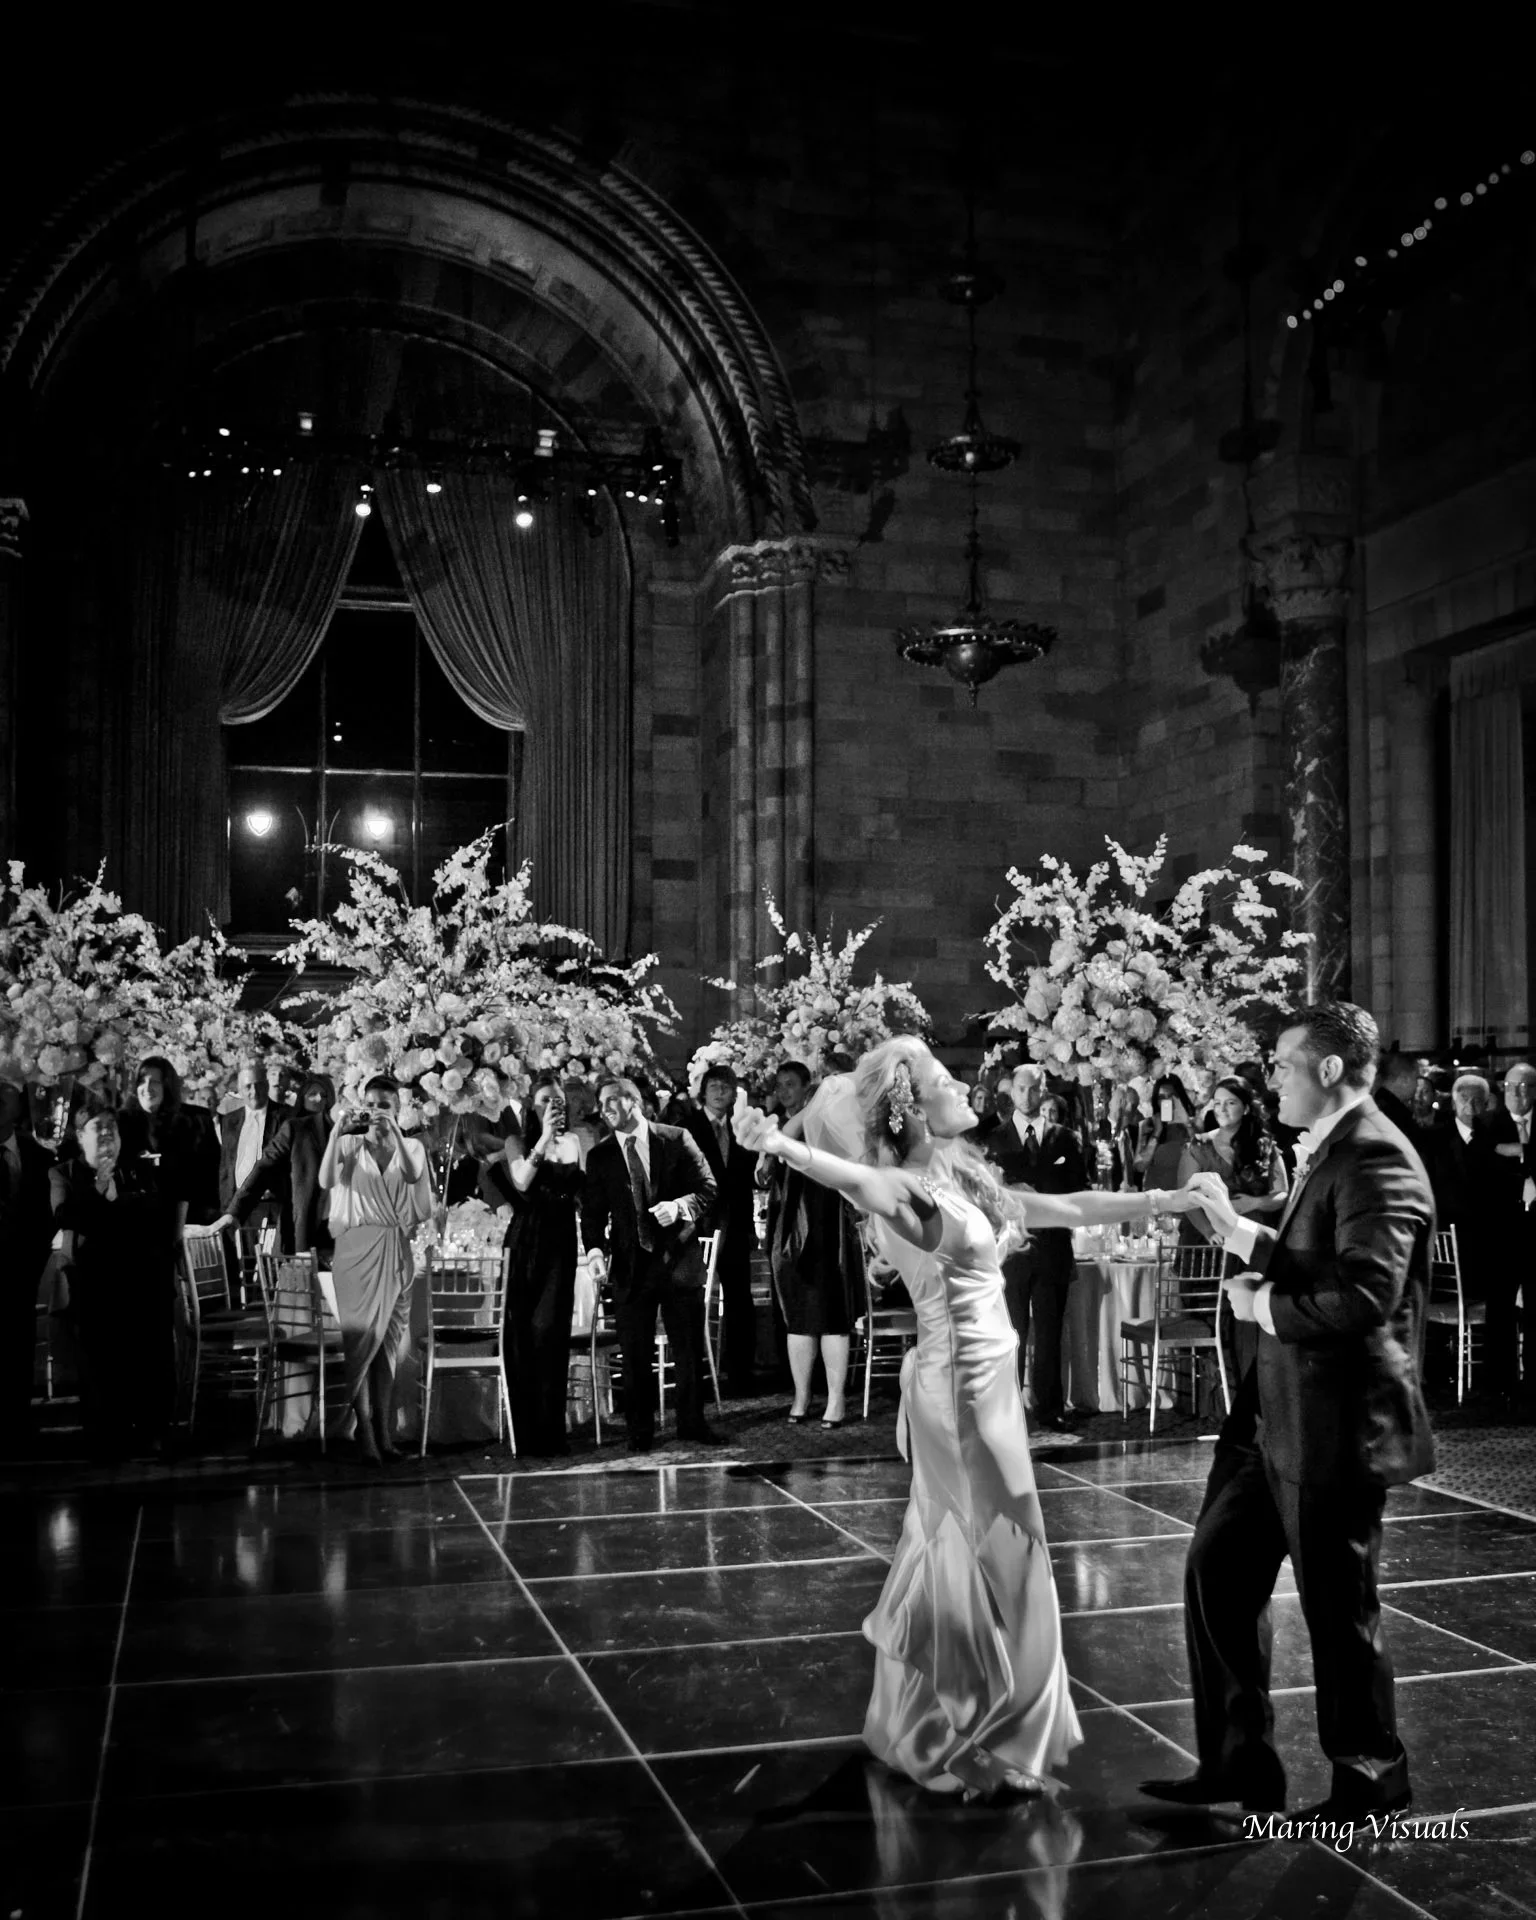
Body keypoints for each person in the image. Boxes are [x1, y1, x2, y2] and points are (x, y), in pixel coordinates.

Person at [734, 1036, 1201, 1799]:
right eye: (948, 1079)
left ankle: (938, 1725)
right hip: (958, 1392)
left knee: (973, 1543)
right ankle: (977, 1731)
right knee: (998, 1544)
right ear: (912, 1104)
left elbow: (1062, 1207)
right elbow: (856, 1182)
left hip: (985, 1384)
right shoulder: (902, 1186)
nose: (964, 1085)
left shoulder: (958, 1173)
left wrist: (1161, 1202)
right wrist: (782, 1145)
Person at [1144, 1001, 1434, 1821]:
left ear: (1330, 1069)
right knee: (1218, 1571)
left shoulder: (1378, 1156)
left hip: (1335, 1425)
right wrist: (1234, 1227)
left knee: (1338, 1609)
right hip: (1273, 1421)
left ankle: (1372, 1783)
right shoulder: (1336, 1150)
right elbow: (1312, 1255)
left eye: (1281, 1063)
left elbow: (1367, 1296)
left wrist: (1265, 1310)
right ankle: (1241, 1767)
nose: (1270, 1078)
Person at [580, 1075, 718, 1452]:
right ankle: (639, 1432)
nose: (605, 1109)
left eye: (612, 1100)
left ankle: (692, 1424)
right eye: (601, 1103)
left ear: (634, 1101)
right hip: (630, 1265)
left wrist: (679, 1207)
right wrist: (594, 1253)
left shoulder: (675, 1138)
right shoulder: (600, 1155)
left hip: (677, 1260)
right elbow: (591, 1216)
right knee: (634, 1352)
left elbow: (708, 1188)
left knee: (687, 1348)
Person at [51, 1094, 186, 1458]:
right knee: (99, 1365)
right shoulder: (64, 1173)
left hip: (141, 1282)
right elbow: (66, 1215)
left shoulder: (139, 1168)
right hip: (93, 1286)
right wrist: (98, 1190)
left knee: (151, 1358)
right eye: (98, 1129)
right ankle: (106, 1435)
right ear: (81, 1136)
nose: (108, 1135)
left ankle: (153, 1430)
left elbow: (156, 1214)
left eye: (112, 1128)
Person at [318, 1076, 433, 1462]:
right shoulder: (350, 1146)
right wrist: (337, 1130)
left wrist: (394, 1132)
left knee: (386, 1351)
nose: (378, 1110)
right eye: (371, 1103)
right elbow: (325, 1180)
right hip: (355, 1253)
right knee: (361, 1347)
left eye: (386, 1103)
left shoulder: (411, 1146)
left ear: (398, 1107)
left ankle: (384, 1433)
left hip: (396, 1250)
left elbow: (415, 1178)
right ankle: (364, 1431)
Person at [481, 1077, 585, 1457]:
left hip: (561, 1241)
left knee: (553, 1332)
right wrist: (543, 1139)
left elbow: (579, 1193)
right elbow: (523, 1181)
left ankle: (553, 1431)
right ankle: (526, 1433)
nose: (552, 1106)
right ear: (532, 1106)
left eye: (557, 1100)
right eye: (544, 1100)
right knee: (527, 1333)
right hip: (528, 1240)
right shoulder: (517, 1142)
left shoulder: (574, 1143)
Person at [985, 1066, 1087, 1433]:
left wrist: (1041, 1194)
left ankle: (1049, 1408)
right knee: (1009, 1332)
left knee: (1049, 1333)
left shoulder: (1066, 1139)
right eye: (1021, 1089)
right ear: (1011, 1091)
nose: (1027, 1097)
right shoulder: (992, 1139)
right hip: (1010, 1251)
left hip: (1053, 1247)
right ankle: (1004, 1406)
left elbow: (1080, 1190)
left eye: (1034, 1090)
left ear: (1045, 1092)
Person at [762, 1060, 862, 1426]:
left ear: (809, 1088)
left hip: (827, 1221)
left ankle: (835, 1399)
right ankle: (802, 1396)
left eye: (791, 1084)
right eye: (779, 1084)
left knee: (832, 1313)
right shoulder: (776, 1124)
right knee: (798, 1314)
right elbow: (764, 1170)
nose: (783, 1090)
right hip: (789, 1223)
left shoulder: (828, 1123)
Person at [681, 1063, 760, 1396]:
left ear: (733, 1093)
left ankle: (740, 1373)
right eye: (713, 1085)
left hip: (738, 1223)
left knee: (741, 1299)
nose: (719, 1091)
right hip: (700, 1227)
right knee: (696, 1300)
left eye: (726, 1086)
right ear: (703, 1090)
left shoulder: (744, 1129)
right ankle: (696, 1373)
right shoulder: (687, 1128)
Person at [201, 1074, 337, 1257]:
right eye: (313, 1094)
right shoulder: (294, 1129)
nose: (319, 1099)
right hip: (306, 1228)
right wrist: (233, 1212)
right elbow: (263, 1169)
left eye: (325, 1095)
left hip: (346, 1229)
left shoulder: (352, 1132)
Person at [0, 1076, 57, 1453]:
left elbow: (44, 1217)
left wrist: (34, 1261)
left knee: (19, 1350)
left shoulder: (35, 1154)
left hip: (22, 1270)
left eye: (5, 1099)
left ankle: (18, 1426)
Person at [1178, 1076, 1289, 1243]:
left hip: (1251, 1238)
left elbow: (1281, 1194)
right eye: (1217, 1103)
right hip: (1206, 1243)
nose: (1222, 1109)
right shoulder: (1198, 1146)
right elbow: (1185, 1196)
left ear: (1245, 1108)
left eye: (1230, 1103)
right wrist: (1209, 1231)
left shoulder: (1265, 1147)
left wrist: (1255, 1203)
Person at [1490, 1061, 1536, 1402]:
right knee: (1501, 1307)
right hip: (1503, 1229)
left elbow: (1506, 1158)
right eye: (1512, 1087)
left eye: (1525, 1087)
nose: (1518, 1094)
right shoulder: (1490, 1124)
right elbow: (1485, 1166)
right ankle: (1501, 1383)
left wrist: (1522, 1151)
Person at [217, 1059, 288, 1245]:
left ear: (266, 1085)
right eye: (248, 1086)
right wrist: (227, 1207)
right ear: (240, 1090)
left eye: (258, 1085)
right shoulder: (229, 1121)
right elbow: (226, 1165)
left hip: (274, 1207)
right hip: (238, 1209)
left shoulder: (286, 1117)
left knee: (270, 1268)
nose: (254, 1092)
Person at [1132, 1072, 1197, 1191]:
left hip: (1185, 1195)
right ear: (1156, 1100)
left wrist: (1187, 1124)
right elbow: (1140, 1166)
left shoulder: (1194, 1124)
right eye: (1162, 1097)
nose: (1167, 1102)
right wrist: (1157, 1132)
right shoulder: (1147, 1125)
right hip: (1156, 1197)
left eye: (1171, 1096)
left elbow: (1200, 1158)